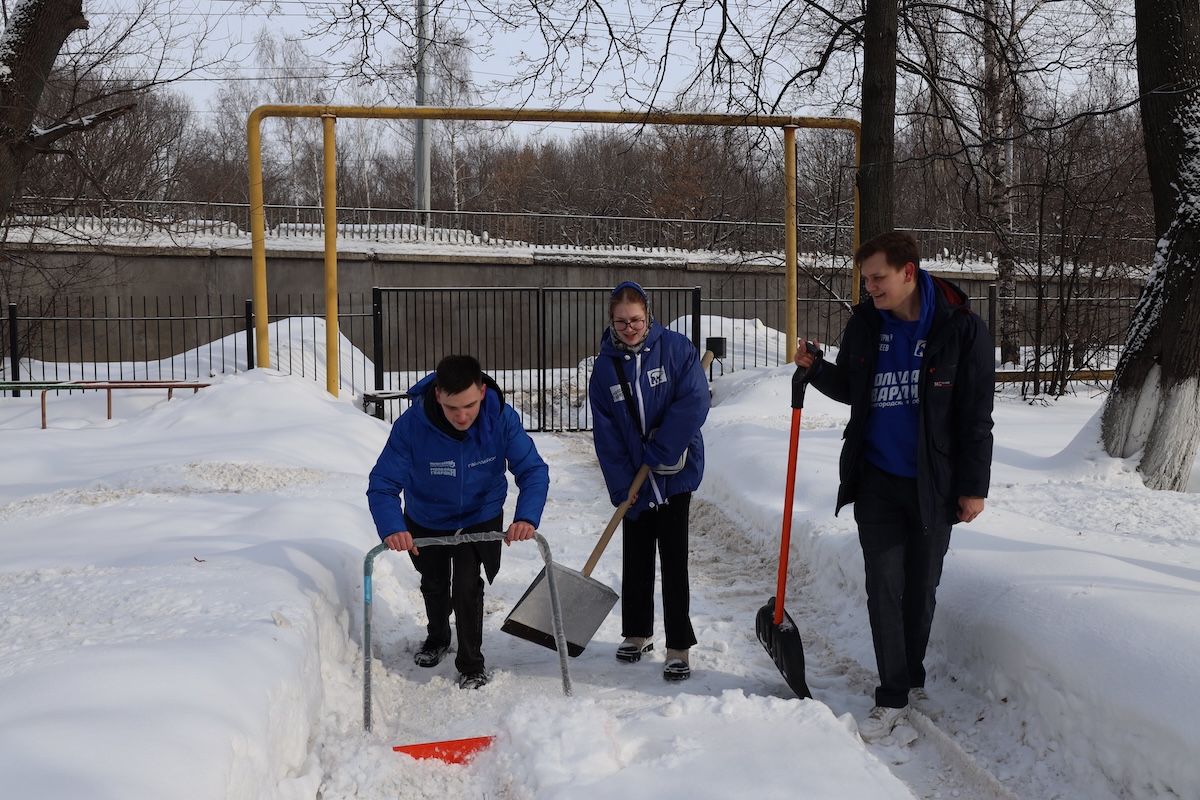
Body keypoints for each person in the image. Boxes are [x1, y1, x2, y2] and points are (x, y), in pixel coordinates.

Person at [795, 231, 995, 740]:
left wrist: (974, 487)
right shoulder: (866, 324)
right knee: (883, 587)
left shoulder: (962, 330)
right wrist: (817, 369)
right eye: (866, 280)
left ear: (909, 272)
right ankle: (891, 695)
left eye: (878, 278)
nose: (871, 288)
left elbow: (976, 416)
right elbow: (855, 391)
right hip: (878, 477)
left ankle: (911, 678)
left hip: (935, 481)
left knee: (920, 591)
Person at [366, 354, 549, 690]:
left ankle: (471, 663)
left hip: (481, 515)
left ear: (481, 392)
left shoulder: (502, 419)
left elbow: (533, 469)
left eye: (469, 405)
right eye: (452, 408)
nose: (462, 416)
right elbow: (383, 484)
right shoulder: (411, 426)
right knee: (434, 583)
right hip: (427, 516)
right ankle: (437, 637)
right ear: (438, 395)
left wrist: (526, 516)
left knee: (467, 585)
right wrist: (393, 526)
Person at [588, 281, 710, 681]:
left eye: (636, 320)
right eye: (621, 322)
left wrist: (663, 450)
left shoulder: (676, 349)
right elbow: (606, 435)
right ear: (611, 321)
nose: (630, 328)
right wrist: (624, 484)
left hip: (675, 474)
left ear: (648, 316)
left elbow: (693, 402)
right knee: (636, 555)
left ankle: (678, 645)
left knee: (674, 559)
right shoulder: (605, 367)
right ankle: (637, 632)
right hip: (634, 479)